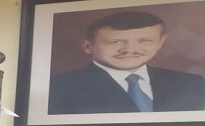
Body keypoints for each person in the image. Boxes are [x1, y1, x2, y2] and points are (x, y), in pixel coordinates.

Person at [48, 11, 205, 114]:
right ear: (88, 46)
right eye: (115, 42)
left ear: (161, 42)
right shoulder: (57, 88)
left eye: (144, 41)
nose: (130, 50)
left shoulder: (191, 84)